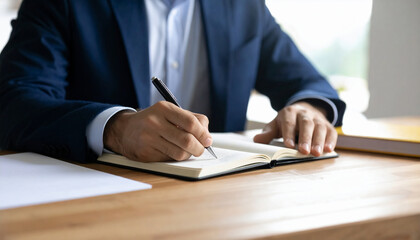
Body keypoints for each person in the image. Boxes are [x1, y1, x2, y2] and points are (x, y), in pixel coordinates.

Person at [0, 0, 346, 163]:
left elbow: (308, 82)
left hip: (222, 204)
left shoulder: (243, 7)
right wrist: (115, 129)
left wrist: (308, 109)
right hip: (98, 205)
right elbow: (14, 101)